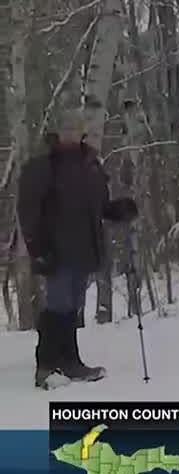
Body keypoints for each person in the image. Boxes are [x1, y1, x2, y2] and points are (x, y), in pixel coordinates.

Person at [17, 109, 139, 389]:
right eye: (66, 128)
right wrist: (38, 249)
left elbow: (100, 206)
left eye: (75, 128)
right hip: (55, 249)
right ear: (57, 132)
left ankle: (71, 361)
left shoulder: (91, 164)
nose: (71, 133)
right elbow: (28, 210)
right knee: (58, 306)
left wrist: (119, 210)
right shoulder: (43, 165)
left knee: (71, 307)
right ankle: (47, 366)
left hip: (84, 247)